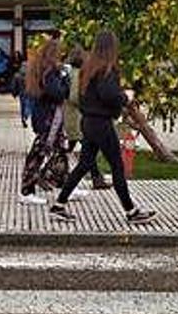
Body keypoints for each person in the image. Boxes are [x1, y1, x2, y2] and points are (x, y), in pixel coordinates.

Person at [49, 31, 157, 224]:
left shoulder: (88, 68)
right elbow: (109, 94)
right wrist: (126, 97)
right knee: (117, 166)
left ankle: (59, 205)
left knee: (84, 165)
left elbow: (86, 96)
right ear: (111, 48)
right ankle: (131, 211)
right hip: (101, 123)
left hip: (88, 121)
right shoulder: (107, 69)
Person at [18, 38, 88, 205]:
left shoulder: (46, 69)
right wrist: (65, 79)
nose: (62, 57)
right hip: (48, 121)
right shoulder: (49, 72)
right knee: (38, 153)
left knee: (60, 153)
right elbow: (57, 93)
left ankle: (66, 187)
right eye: (59, 54)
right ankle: (26, 191)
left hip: (51, 120)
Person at [64, 45, 111, 190]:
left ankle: (96, 178)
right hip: (77, 117)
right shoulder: (77, 74)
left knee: (76, 149)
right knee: (87, 149)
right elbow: (74, 96)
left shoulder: (73, 72)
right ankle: (96, 178)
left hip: (75, 117)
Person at [11, 55, 32, 128]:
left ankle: (24, 117)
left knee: (23, 106)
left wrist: (14, 93)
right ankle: (26, 116)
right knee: (28, 105)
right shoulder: (31, 75)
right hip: (29, 92)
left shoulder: (17, 75)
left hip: (22, 93)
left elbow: (14, 85)